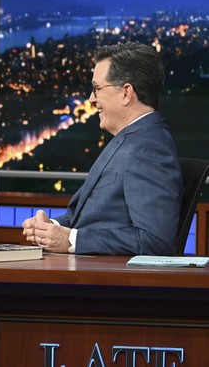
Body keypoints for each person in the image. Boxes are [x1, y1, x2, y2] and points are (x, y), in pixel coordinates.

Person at [22, 42, 184, 255]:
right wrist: (50, 228)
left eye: (97, 89)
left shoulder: (149, 148)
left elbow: (155, 241)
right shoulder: (130, 139)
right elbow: (87, 218)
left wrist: (71, 239)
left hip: (111, 283)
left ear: (126, 93)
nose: (91, 99)